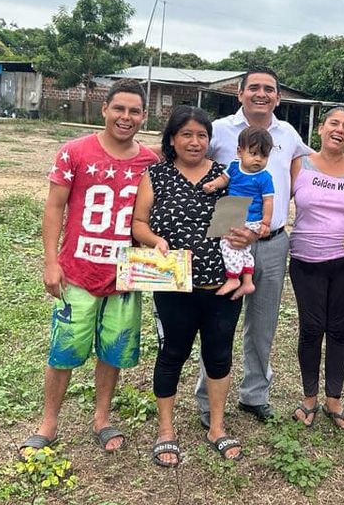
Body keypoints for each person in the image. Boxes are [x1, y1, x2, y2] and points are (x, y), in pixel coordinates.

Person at [20, 81, 159, 456]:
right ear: (105, 110)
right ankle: (49, 423)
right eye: (119, 109)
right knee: (63, 350)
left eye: (134, 111)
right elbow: (54, 207)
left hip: (125, 275)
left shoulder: (150, 163)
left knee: (112, 351)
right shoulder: (74, 152)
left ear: (144, 116)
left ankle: (101, 418)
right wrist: (50, 261)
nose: (126, 117)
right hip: (78, 272)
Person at [195, 68, 312, 426]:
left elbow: (312, 167)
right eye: (254, 88)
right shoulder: (219, 129)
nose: (262, 94)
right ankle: (207, 399)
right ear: (240, 93)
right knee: (218, 323)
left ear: (278, 97)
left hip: (272, 238)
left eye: (269, 89)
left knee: (263, 324)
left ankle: (255, 394)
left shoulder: (288, 133)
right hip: (228, 231)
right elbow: (188, 157)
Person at [131, 106, 246, 467]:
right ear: (172, 139)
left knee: (219, 354)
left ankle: (217, 427)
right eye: (186, 134)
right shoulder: (156, 175)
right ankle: (166, 430)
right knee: (172, 354)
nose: (194, 142)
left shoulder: (225, 176)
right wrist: (155, 241)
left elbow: (232, 232)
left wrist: (244, 236)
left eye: (201, 135)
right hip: (172, 283)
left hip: (219, 285)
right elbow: (139, 222)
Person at [288, 107, 344, 430]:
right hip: (306, 260)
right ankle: (309, 397)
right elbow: (268, 196)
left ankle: (334, 399)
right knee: (310, 328)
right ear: (320, 128)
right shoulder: (299, 164)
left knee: (339, 330)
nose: (339, 130)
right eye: (334, 123)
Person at [202, 126, 275, 299]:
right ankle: (248, 281)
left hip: (250, 218)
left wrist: (266, 222)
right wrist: (213, 185)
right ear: (239, 151)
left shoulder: (265, 177)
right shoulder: (234, 167)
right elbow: (224, 179)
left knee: (228, 244)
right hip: (233, 212)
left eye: (264, 156)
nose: (258, 159)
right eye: (253, 153)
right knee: (243, 249)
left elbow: (268, 201)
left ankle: (233, 278)